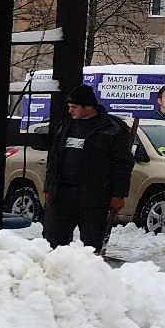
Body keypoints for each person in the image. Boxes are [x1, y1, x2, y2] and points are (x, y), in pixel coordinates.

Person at [32, 85, 136, 254]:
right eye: (69, 107)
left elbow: (122, 165)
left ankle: (88, 275)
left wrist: (118, 194)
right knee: (53, 241)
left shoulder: (111, 129)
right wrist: (49, 188)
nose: (70, 111)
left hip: (94, 196)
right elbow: (55, 159)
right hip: (63, 194)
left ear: (88, 107)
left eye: (74, 107)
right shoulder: (65, 125)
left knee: (91, 245)